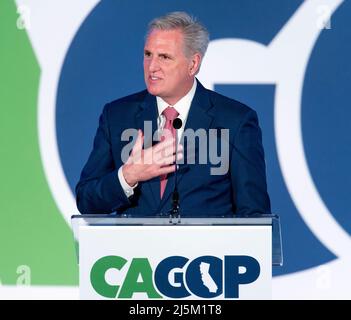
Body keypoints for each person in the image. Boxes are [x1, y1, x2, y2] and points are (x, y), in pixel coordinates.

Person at [76, 11, 271, 217]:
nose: (152, 67)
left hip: (206, 249)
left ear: (193, 64)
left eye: (165, 57)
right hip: (136, 249)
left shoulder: (235, 121)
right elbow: (86, 200)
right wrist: (129, 175)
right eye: (148, 54)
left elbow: (254, 216)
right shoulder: (116, 116)